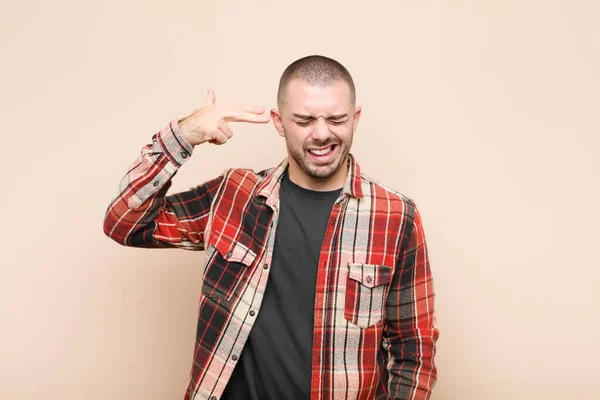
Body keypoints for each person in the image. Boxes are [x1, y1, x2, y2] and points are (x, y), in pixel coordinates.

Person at [103, 55, 439, 400]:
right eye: (304, 120)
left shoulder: (396, 216)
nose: (322, 134)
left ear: (355, 119)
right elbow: (124, 223)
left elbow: (414, 350)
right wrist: (183, 135)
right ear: (279, 122)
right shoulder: (233, 194)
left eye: (336, 119)